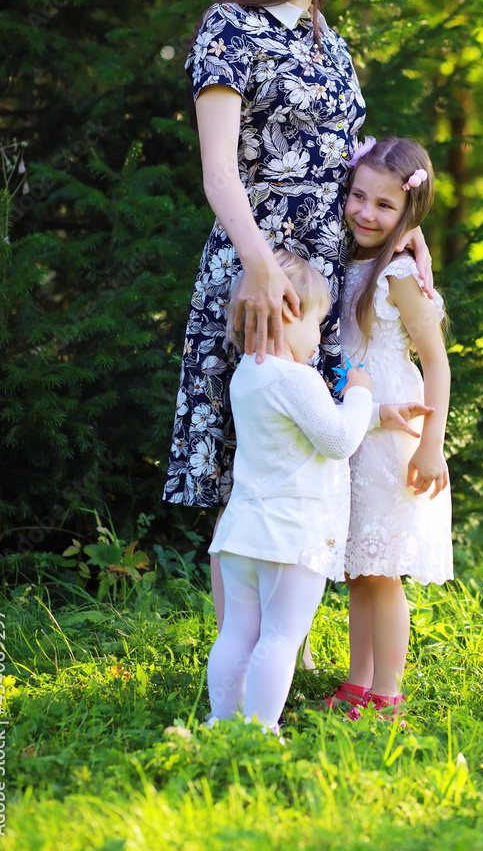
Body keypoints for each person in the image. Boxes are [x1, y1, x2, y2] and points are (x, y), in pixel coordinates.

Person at [162, 0, 434, 637]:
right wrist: (256, 266)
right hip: (259, 268)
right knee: (247, 467)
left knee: (312, 454)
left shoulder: (331, 45)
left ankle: (287, 653)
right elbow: (218, 171)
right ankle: (242, 656)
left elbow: (352, 162)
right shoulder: (230, 27)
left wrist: (403, 226)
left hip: (323, 277)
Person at [206, 249, 375, 731]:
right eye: (316, 323)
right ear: (285, 315)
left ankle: (222, 722)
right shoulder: (297, 378)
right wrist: (360, 393)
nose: (319, 337)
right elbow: (338, 440)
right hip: (290, 536)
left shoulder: (248, 373)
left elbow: (300, 434)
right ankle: (260, 731)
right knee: (280, 637)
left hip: (243, 533)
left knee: (237, 633)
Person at [327, 136, 453, 720]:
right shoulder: (344, 261)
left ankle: (388, 692)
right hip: (358, 428)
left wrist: (432, 447)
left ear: (408, 213)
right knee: (359, 570)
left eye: (384, 205)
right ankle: (359, 682)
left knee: (382, 572)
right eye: (359, 196)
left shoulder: (398, 274)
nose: (365, 213)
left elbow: (437, 362)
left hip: (395, 437)